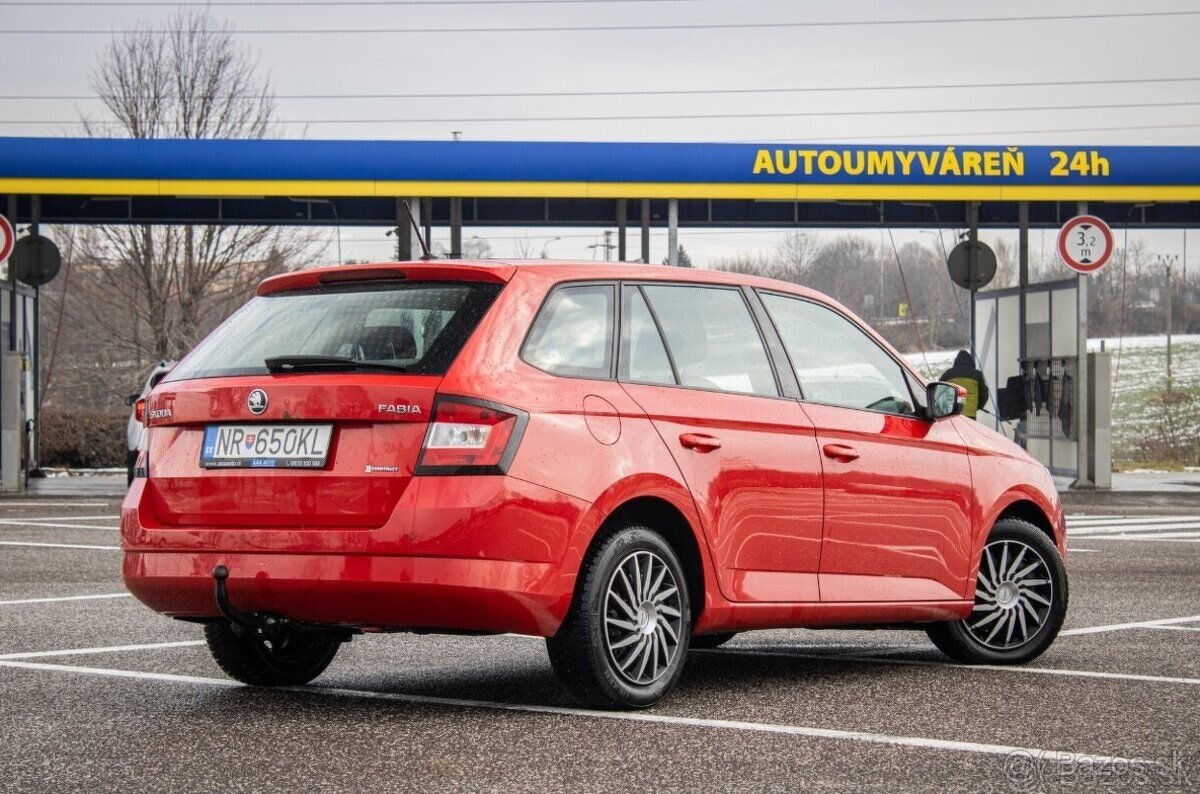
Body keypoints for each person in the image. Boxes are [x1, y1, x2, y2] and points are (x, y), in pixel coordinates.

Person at [940, 350, 990, 420]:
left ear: (956, 361)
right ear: (971, 362)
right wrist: (977, 407)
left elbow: (938, 393)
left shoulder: (948, 374)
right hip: (970, 414)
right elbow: (984, 395)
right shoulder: (977, 375)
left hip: (951, 413)